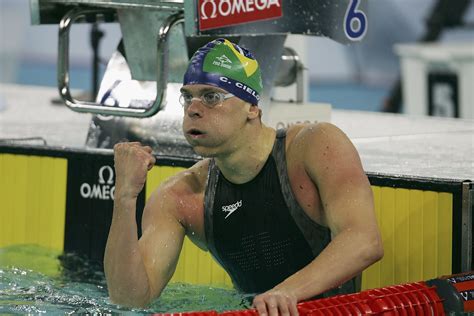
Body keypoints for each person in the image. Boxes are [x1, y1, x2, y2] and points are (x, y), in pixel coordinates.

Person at [104, 38, 383, 315]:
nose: (193, 108)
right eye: (188, 96)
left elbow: (364, 240)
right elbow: (129, 301)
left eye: (211, 97)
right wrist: (125, 198)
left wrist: (288, 291)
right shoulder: (181, 197)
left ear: (252, 107)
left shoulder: (315, 146)